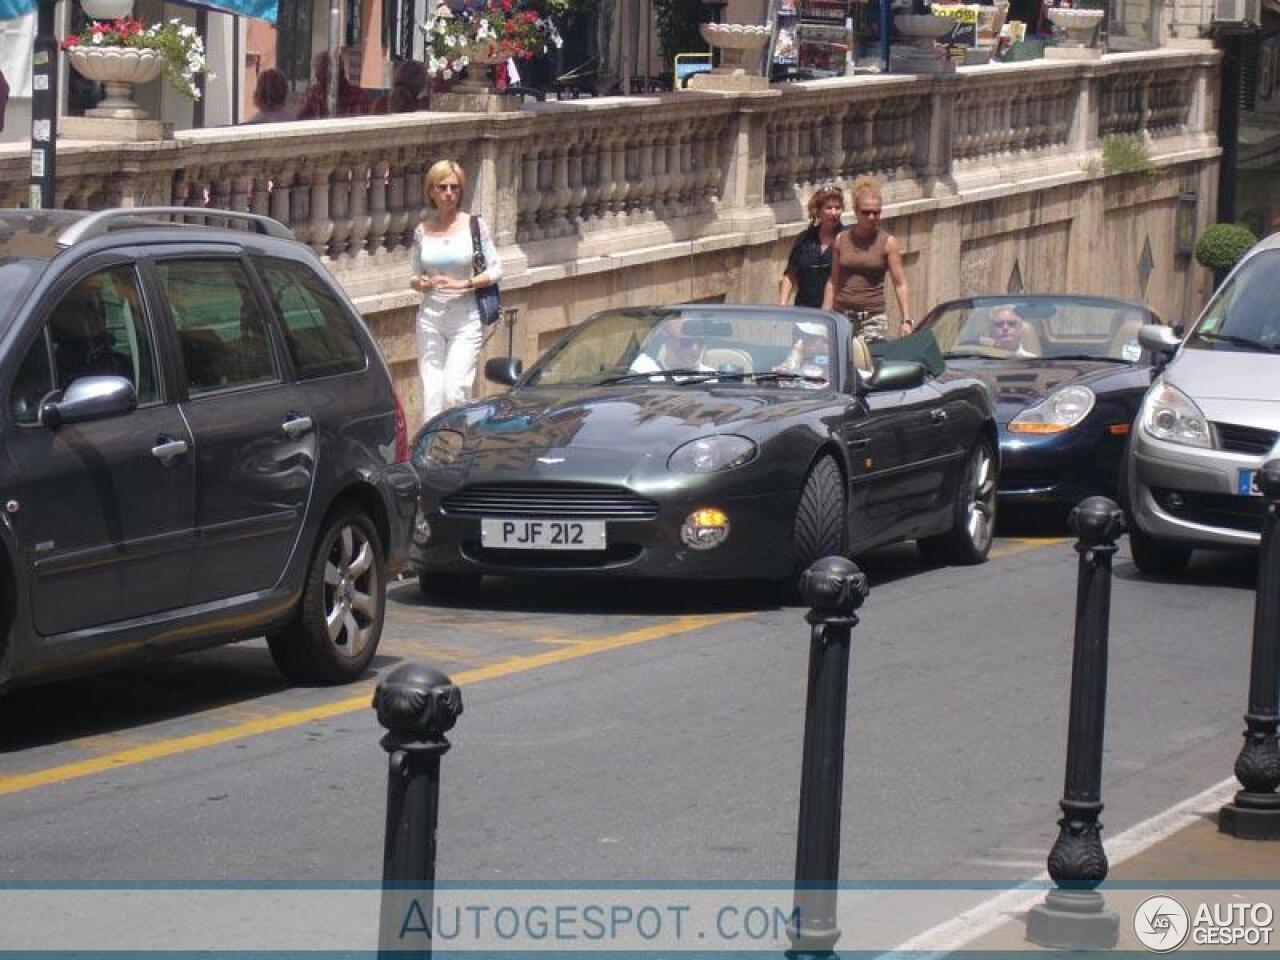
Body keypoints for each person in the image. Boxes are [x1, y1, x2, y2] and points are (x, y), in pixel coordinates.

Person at [410, 159, 503, 421]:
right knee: (432, 395)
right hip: (430, 318)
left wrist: (465, 284)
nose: (449, 193)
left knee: (454, 391)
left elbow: (496, 270)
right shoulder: (422, 231)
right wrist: (421, 283)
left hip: (465, 318)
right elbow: (414, 276)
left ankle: (461, 443)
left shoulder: (475, 226)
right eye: (442, 187)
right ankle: (431, 455)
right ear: (432, 191)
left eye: (454, 187)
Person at [822, 174, 912, 343]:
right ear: (856, 211)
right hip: (842, 315)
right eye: (866, 212)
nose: (871, 217)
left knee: (867, 364)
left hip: (872, 318)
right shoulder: (841, 239)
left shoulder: (888, 243)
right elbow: (833, 282)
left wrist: (906, 320)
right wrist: (825, 317)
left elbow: (900, 283)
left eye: (876, 212)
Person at [779, 184, 844, 309]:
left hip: (836, 313)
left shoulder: (846, 239)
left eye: (838, 208)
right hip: (804, 311)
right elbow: (790, 275)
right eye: (829, 208)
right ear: (818, 211)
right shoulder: (804, 239)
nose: (834, 213)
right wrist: (782, 306)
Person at [296, 51, 370, 119]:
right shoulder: (311, 94)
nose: (321, 83)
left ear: (341, 73)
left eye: (326, 79)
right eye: (319, 78)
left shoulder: (358, 95)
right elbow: (300, 121)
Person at [630, 317, 713, 375]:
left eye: (700, 342)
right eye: (686, 342)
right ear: (667, 340)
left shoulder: (714, 378)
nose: (695, 348)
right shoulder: (642, 372)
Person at [773, 320, 831, 385]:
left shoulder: (830, 352)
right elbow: (788, 367)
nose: (814, 343)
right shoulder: (794, 353)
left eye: (815, 338)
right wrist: (782, 371)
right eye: (808, 338)